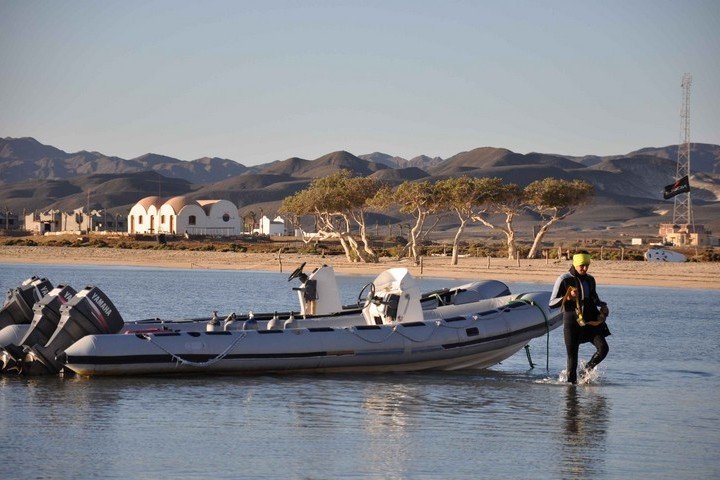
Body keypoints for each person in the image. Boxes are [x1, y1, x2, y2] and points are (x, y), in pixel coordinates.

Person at [550, 251, 610, 384]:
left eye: (587, 265)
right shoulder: (564, 279)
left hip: (590, 322)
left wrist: (603, 306)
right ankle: (571, 395)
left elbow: (595, 299)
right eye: (582, 265)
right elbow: (552, 303)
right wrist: (568, 297)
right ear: (575, 264)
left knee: (603, 349)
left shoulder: (590, 279)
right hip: (572, 323)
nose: (585, 268)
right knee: (572, 361)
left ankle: (586, 370)